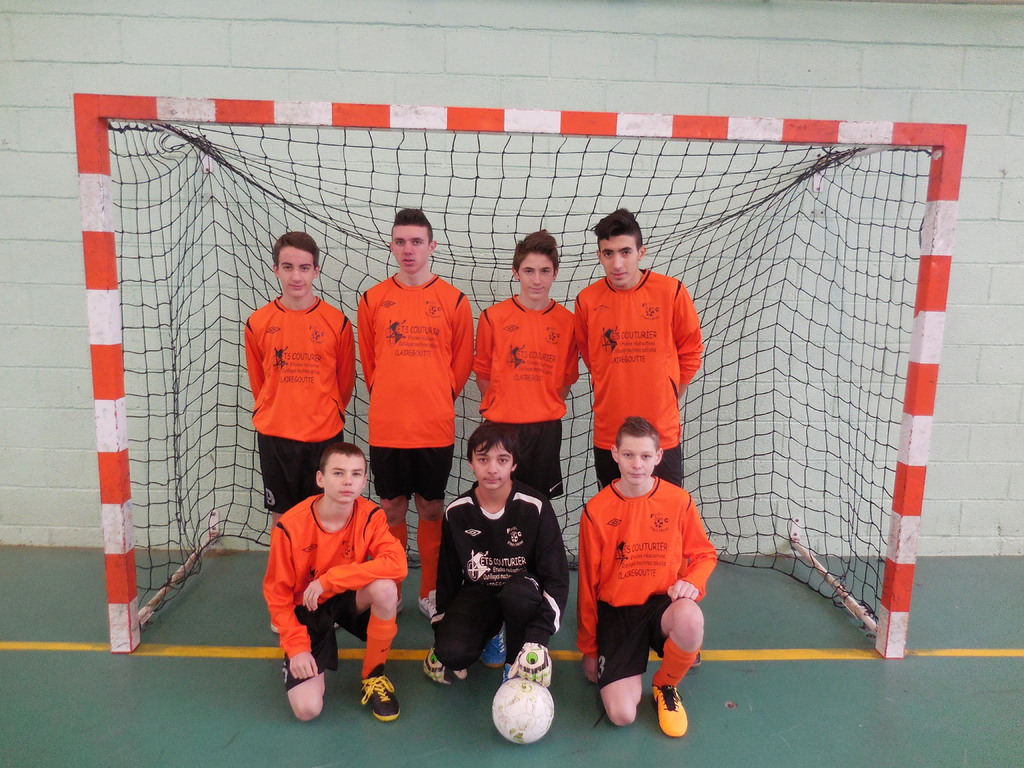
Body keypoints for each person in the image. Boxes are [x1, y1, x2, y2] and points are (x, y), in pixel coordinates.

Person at [357, 209, 474, 619]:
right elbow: (370, 364)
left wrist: (435, 396)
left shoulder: (454, 300)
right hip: (388, 427)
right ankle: (391, 590)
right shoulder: (372, 299)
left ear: (432, 246)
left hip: (433, 427)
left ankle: (430, 590)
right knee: (390, 509)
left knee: (431, 508)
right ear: (392, 246)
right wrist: (393, 396)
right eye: (401, 242)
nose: (408, 250)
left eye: (417, 242)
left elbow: (461, 366)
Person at [576, 416, 717, 738]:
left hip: (660, 606)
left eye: (644, 456)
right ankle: (623, 668)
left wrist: (692, 582)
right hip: (617, 613)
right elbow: (587, 585)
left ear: (658, 456)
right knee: (622, 715)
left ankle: (665, 684)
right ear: (615, 454)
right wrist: (589, 648)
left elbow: (704, 554)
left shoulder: (678, 501)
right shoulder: (596, 510)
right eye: (628, 455)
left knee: (690, 618)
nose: (636, 464)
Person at [263, 442, 407, 723]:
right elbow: (277, 595)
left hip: (344, 595)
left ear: (364, 481)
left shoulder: (370, 515)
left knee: (386, 589)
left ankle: (373, 674)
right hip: (308, 608)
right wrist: (296, 647)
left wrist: (331, 580)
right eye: (338, 473)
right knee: (307, 710)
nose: (347, 481)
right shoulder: (290, 526)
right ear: (320, 478)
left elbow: (397, 564)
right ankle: (299, 660)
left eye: (356, 474)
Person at [423, 422, 570, 686]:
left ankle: (515, 659)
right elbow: (447, 577)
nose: (492, 469)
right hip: (480, 591)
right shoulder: (457, 512)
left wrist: (539, 637)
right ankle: (493, 631)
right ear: (471, 463)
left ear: (514, 464)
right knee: (452, 652)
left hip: (523, 592)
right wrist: (441, 631)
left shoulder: (536, 506)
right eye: (483, 459)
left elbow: (557, 578)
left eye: (502, 460)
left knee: (518, 595)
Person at [574, 209, 703, 488]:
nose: (617, 263)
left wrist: (669, 394)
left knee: (664, 511)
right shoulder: (587, 300)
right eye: (608, 253)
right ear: (599, 256)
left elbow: (691, 352)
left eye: (625, 252)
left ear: (641, 252)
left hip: (660, 432)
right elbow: (591, 357)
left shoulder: (671, 292)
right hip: (611, 434)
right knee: (616, 510)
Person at [245, 231, 356, 526]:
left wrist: (325, 411)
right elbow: (259, 381)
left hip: (323, 436)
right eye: (288, 267)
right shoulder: (258, 322)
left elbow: (344, 383)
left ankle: (324, 562)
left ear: (316, 271)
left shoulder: (337, 323)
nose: (296, 276)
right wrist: (277, 409)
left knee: (326, 515)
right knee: (284, 518)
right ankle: (285, 561)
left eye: (304, 268)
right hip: (276, 436)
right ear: (276, 270)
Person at [473, 229, 580, 499]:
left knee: (537, 504)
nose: (537, 280)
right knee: (499, 501)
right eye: (529, 271)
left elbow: (566, 380)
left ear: (555, 273)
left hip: (545, 430)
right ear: (516, 272)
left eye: (545, 271)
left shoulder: (568, 323)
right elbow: (483, 374)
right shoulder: (493, 318)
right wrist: (504, 406)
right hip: (501, 426)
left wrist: (540, 405)